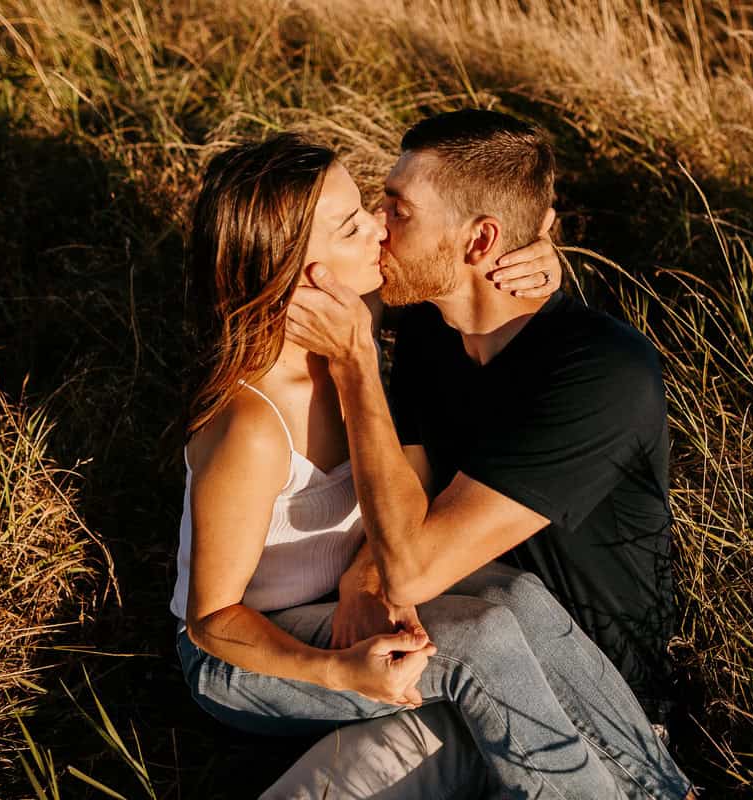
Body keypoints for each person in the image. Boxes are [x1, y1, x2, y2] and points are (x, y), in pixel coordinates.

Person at [173, 132, 693, 798]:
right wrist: (340, 674)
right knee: (479, 640)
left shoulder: (381, 323)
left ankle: (662, 788)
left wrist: (539, 251)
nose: (378, 232)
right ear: (305, 272)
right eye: (357, 222)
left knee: (514, 595)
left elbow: (476, 273)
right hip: (247, 653)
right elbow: (210, 622)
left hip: (344, 610)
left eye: (386, 209)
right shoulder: (255, 425)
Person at [288, 106, 683, 760]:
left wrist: (355, 361)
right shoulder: (427, 326)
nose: (380, 226)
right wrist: (364, 571)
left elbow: (412, 570)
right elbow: (408, 483)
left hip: (586, 704)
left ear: (479, 242)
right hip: (453, 650)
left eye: (399, 209)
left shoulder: (602, 373)